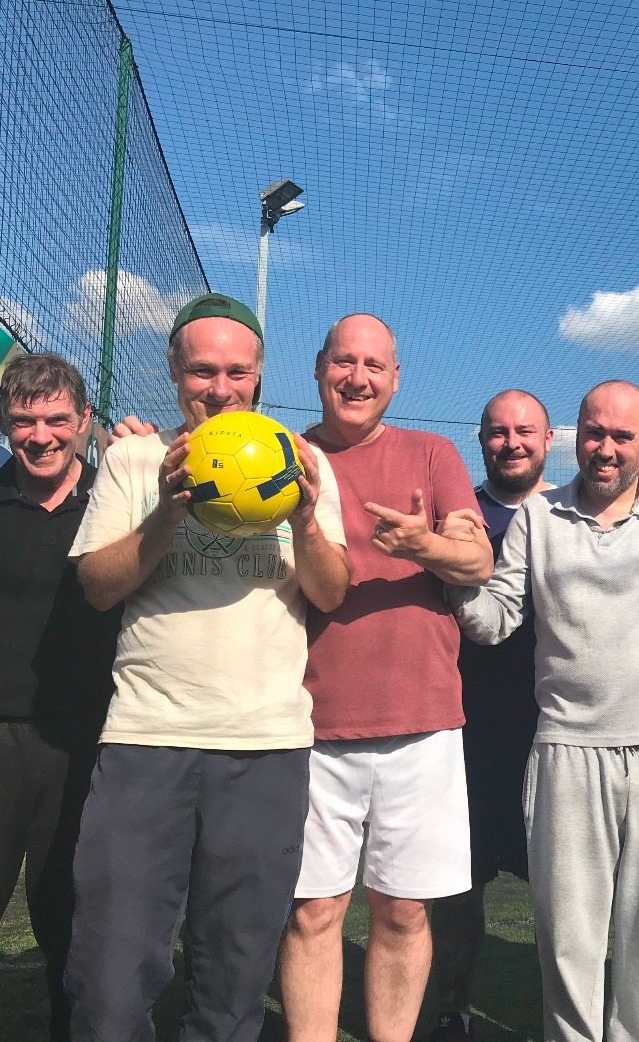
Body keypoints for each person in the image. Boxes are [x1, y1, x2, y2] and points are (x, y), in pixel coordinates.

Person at [64, 293, 350, 1042]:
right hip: (146, 740)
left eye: (236, 372)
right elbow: (98, 588)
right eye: (201, 371)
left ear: (258, 375)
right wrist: (168, 511)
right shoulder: (133, 459)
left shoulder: (302, 463)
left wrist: (303, 518)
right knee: (110, 981)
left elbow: (330, 591)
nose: (220, 389)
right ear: (173, 370)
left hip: (265, 747)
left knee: (232, 983)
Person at [447, 379, 639, 1042]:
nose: (606, 449)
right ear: (575, 435)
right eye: (595, 433)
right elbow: (496, 620)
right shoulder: (536, 517)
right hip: (565, 752)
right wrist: (448, 571)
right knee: (568, 938)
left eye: (622, 436)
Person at [277, 313, 494, 1042]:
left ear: (395, 379)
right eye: (345, 362)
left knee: (402, 912)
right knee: (313, 912)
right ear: (318, 368)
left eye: (374, 365)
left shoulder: (432, 453)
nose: (358, 378)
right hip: (306, 723)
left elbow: (478, 562)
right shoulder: (285, 456)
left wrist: (422, 544)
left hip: (422, 724)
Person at [427, 389, 554, 1041]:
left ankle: (567, 1014)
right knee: (456, 887)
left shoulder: (574, 514)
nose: (512, 443)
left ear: (549, 439)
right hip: (463, 734)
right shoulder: (457, 517)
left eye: (525, 431)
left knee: (565, 889)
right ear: (480, 440)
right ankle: (453, 1007)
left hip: (556, 737)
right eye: (498, 432)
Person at [0, 353, 120, 1041]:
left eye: (55, 419)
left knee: (68, 915)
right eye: (24, 421)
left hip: (85, 744)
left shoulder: (116, 504)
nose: (40, 436)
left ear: (83, 421)